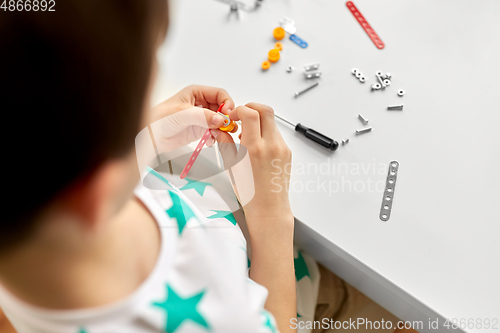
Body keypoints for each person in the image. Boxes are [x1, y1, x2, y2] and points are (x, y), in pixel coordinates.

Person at [0, 1, 419, 333]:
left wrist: (152, 131)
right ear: (95, 186)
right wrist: (270, 211)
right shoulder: (220, 319)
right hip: (288, 288)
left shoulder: (33, 210)